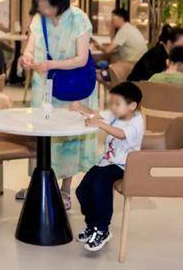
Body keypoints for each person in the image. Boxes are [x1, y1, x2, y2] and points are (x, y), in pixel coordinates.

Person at [19, 0, 97, 209]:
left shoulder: (78, 19)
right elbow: (30, 47)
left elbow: (81, 59)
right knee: (42, 132)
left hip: (71, 85)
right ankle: (39, 184)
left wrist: (51, 64)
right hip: (44, 85)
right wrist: (26, 57)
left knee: (67, 137)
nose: (43, 10)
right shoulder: (39, 19)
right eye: (40, 5)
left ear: (58, 2)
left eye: (46, 5)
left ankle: (65, 189)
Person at [70, 82, 144, 252]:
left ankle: (102, 229)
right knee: (82, 190)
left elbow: (121, 134)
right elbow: (95, 114)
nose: (113, 107)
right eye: (112, 103)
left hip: (125, 164)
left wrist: (101, 124)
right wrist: (81, 107)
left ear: (132, 106)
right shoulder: (115, 114)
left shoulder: (137, 121)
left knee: (99, 185)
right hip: (106, 162)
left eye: (117, 103)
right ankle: (92, 225)